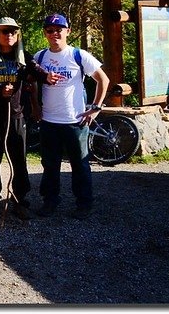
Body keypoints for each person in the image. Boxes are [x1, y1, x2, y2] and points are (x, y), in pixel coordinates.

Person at [33, 13, 110, 220]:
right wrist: (35, 106)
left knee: (80, 165)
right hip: (49, 121)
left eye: (59, 29)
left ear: (68, 31)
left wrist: (96, 107)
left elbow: (103, 79)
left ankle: (84, 204)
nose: (54, 33)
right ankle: (50, 201)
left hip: (75, 121)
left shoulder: (78, 55)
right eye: (50, 30)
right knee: (49, 165)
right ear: (45, 33)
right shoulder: (39, 57)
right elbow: (31, 83)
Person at [0, 17, 49, 220]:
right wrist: (0, 91)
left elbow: (36, 73)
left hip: (17, 115)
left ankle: (20, 200)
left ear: (18, 35)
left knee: (19, 160)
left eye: (13, 31)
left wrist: (47, 79)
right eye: (4, 31)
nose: (9, 35)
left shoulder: (24, 57)